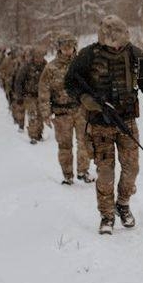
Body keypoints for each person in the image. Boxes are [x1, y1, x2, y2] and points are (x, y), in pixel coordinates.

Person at [66, 15, 143, 235]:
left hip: (127, 121)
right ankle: (107, 215)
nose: (116, 45)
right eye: (112, 40)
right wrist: (84, 99)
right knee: (105, 172)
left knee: (132, 169)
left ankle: (123, 204)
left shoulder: (134, 54)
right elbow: (70, 82)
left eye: (119, 40)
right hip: (99, 124)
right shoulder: (88, 55)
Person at [38, 33, 94, 184]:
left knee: (84, 142)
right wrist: (46, 113)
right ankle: (67, 175)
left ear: (75, 47)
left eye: (70, 46)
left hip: (81, 110)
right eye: (65, 46)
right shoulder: (51, 68)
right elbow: (44, 91)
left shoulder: (82, 64)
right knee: (65, 146)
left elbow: (92, 85)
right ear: (59, 48)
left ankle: (83, 171)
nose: (68, 50)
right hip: (61, 113)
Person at [13, 46, 47, 143]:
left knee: (40, 115)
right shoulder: (26, 66)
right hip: (29, 95)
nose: (39, 59)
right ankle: (33, 135)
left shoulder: (45, 66)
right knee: (32, 114)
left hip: (41, 95)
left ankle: (39, 133)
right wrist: (19, 96)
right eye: (37, 57)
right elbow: (19, 81)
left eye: (40, 57)